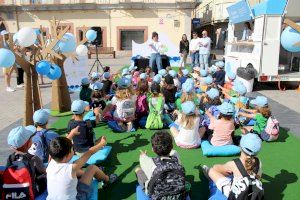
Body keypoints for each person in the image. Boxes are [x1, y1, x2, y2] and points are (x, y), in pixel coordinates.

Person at [47, 136, 118, 199]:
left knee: (77, 172)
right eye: (72, 149)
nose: (73, 150)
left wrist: (72, 133)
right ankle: (107, 179)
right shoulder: (72, 168)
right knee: (92, 168)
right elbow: (90, 152)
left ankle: (93, 175)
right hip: (78, 197)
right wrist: (101, 144)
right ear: (68, 155)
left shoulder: (50, 164)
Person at [202, 133, 263, 198]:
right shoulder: (259, 162)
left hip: (235, 194)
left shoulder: (233, 164)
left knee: (210, 170)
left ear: (240, 146)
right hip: (251, 194)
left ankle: (206, 172)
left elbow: (217, 169)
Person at [134, 131, 184, 195]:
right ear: (171, 147)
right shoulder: (175, 155)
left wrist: (143, 155)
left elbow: (143, 159)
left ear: (153, 149)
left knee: (138, 170)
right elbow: (172, 152)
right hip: (176, 190)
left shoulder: (148, 161)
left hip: (156, 194)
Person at [7, 125, 47, 196]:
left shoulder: (10, 158)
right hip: (31, 195)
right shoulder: (34, 158)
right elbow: (45, 172)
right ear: (28, 143)